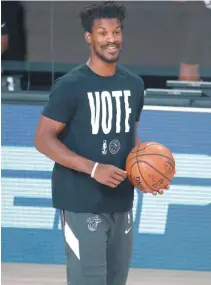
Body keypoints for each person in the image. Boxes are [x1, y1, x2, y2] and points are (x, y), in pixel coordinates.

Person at [34, 2, 168, 285]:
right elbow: (43, 139)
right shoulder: (70, 85)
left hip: (121, 201)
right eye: (103, 32)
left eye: (116, 32)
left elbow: (131, 136)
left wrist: (146, 174)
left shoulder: (134, 84)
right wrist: (93, 168)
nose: (111, 39)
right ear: (89, 37)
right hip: (81, 202)